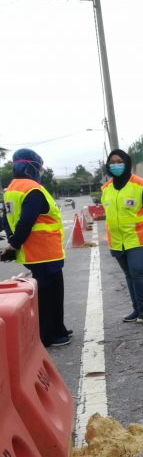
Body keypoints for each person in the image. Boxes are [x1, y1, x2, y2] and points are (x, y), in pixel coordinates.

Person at [1, 149, 72, 347]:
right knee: (49, 295)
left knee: (53, 292)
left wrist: (13, 243)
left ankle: (59, 329)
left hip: (36, 252)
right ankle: (49, 335)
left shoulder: (11, 190)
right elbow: (26, 221)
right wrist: (14, 244)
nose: (40, 170)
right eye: (39, 166)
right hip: (44, 252)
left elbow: (6, 220)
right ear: (32, 166)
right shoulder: (33, 189)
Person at [101, 149, 143, 325]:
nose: (116, 165)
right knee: (128, 274)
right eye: (112, 162)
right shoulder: (106, 188)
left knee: (138, 272)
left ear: (126, 163)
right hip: (117, 240)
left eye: (119, 161)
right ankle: (136, 309)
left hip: (136, 238)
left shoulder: (141, 185)